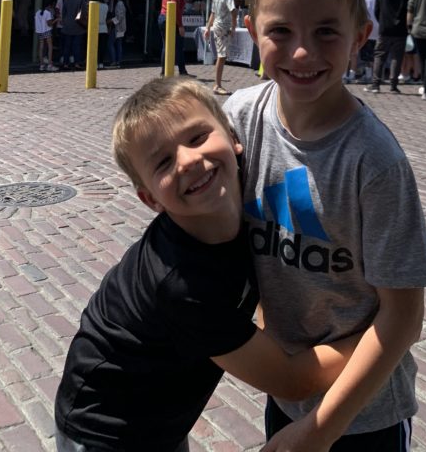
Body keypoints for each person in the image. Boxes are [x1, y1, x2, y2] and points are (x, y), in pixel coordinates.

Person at [55, 77, 359, 452]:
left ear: (233, 138)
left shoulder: (247, 200)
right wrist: (382, 335)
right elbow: (292, 380)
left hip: (163, 412)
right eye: (163, 161)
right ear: (151, 199)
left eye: (197, 137)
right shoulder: (182, 284)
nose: (188, 160)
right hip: (107, 431)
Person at [227, 0, 426, 450]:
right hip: (286, 391)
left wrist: (321, 430)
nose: (302, 52)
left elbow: (403, 316)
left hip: (364, 413)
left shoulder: (375, 161)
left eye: (326, 32)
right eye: (281, 30)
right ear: (252, 31)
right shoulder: (238, 119)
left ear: (360, 35)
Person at [363, 0, 410, 94]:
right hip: (400, 29)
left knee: (379, 55)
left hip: (384, 29)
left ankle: (375, 84)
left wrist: (382, 22)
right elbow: (409, 9)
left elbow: (377, 11)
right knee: (397, 57)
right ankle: (393, 85)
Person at [204, 0, 238, 96]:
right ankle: (217, 85)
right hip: (224, 27)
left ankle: (217, 84)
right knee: (222, 56)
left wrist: (208, 27)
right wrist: (234, 26)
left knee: (221, 55)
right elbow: (233, 11)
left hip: (217, 26)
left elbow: (213, 13)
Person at [159, 0, 191, 76]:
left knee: (167, 45)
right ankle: (181, 71)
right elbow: (175, 9)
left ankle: (165, 71)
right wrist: (180, 26)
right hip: (170, 19)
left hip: (164, 18)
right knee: (178, 46)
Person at [59, 0, 86, 69]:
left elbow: (63, 13)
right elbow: (83, 12)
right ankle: (77, 63)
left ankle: (65, 63)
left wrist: (64, 22)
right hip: (78, 25)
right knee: (77, 45)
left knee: (67, 45)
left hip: (67, 25)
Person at [35, 0, 60, 71]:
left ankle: (42, 65)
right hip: (47, 30)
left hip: (40, 31)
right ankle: (49, 64)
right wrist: (56, 19)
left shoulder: (37, 12)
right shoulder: (47, 13)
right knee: (50, 47)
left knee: (41, 47)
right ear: (50, 5)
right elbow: (49, 24)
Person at [107, 0, 127, 67]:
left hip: (117, 27)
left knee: (110, 43)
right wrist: (112, 0)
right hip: (120, 27)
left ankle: (114, 61)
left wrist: (110, 21)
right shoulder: (118, 2)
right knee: (119, 44)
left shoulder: (120, 3)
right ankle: (118, 61)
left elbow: (119, 17)